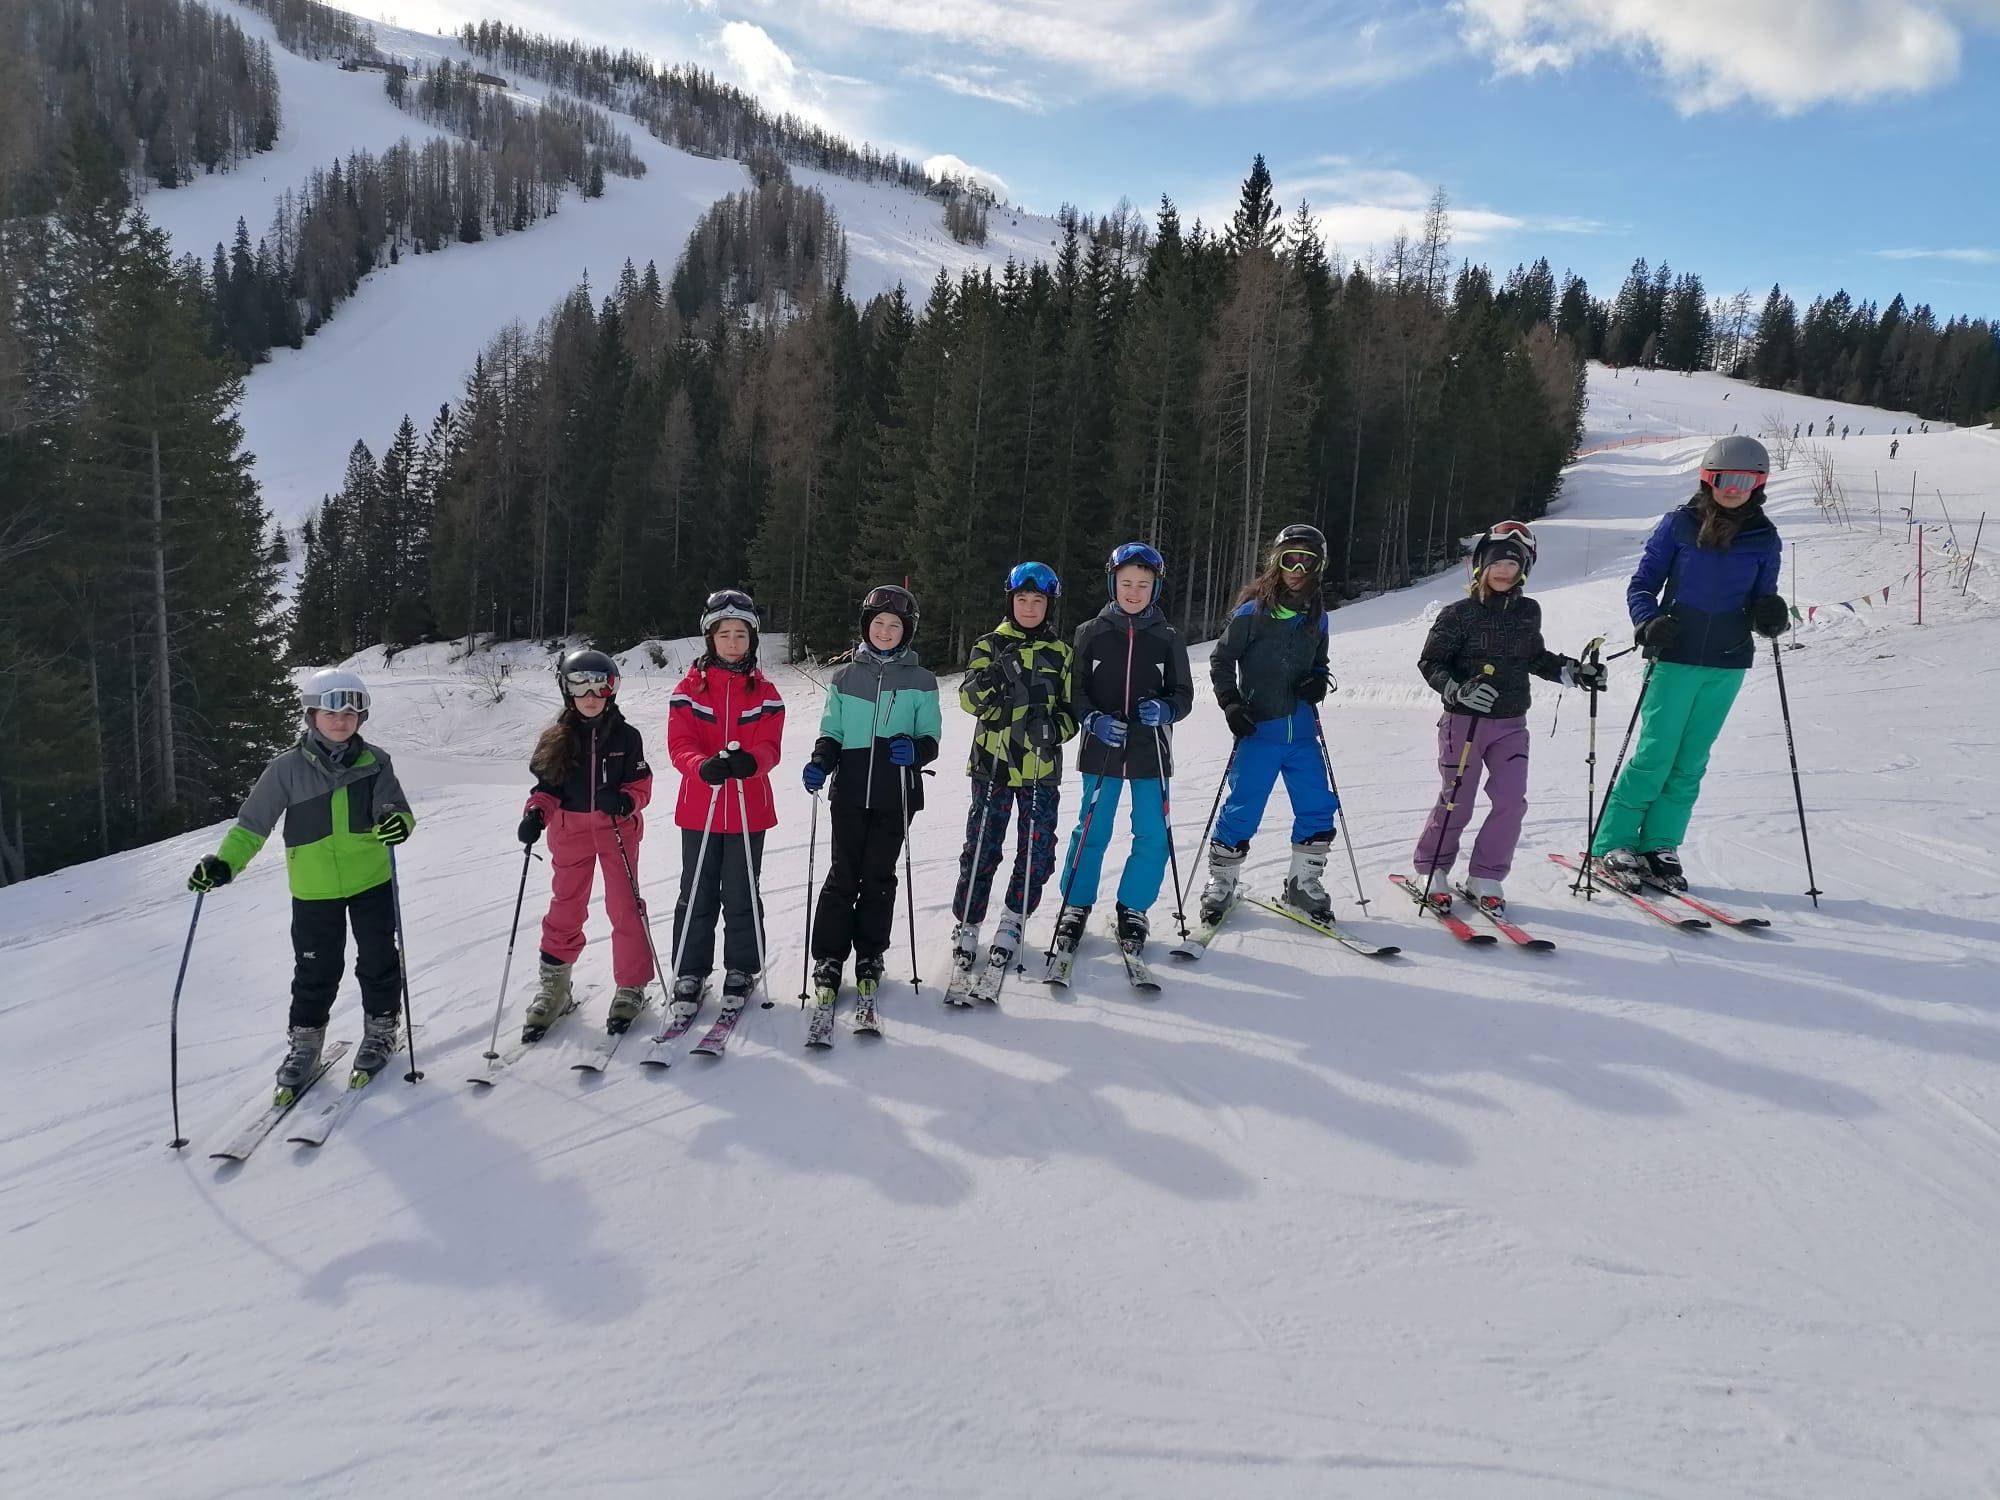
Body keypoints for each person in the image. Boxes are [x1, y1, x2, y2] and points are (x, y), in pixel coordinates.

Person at [186, 669, 416, 1097]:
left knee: (379, 958)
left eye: (351, 712)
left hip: (372, 881)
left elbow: (397, 808)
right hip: (315, 889)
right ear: (311, 714)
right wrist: (224, 865)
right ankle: (305, 1044)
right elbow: (252, 826)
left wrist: (395, 825)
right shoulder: (286, 769)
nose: (342, 720)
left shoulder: (375, 761)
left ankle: (382, 1027)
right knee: (315, 969)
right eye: (331, 712)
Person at [1590, 436, 1787, 890]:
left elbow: (1764, 598)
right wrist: (1648, 622)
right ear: (1708, 478)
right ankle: (1614, 842)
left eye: (1745, 479)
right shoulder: (1679, 525)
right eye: (1724, 479)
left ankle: (1660, 842)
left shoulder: (1764, 536)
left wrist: (1770, 615)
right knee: (1655, 754)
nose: (1733, 488)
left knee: (1692, 760)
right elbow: (1642, 585)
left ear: (1758, 483)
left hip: (1728, 660)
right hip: (1674, 655)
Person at [1407, 523, 1604, 913]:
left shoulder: (1528, 611)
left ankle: (1486, 874)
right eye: (1497, 561)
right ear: (1481, 564)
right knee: (1457, 801)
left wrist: (1574, 671)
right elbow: (1430, 663)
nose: (1504, 570)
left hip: (1512, 722)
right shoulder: (1458, 614)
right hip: (1464, 723)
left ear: (1524, 569)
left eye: (1513, 563)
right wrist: (1457, 689)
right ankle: (1431, 869)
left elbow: (1534, 657)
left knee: (1512, 801)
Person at [1050, 542, 1195, 959]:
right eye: (1126, 583)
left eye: (1143, 585)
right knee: (1092, 827)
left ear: (1155, 588)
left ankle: (1134, 907)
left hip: (1151, 748)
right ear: (1113, 584)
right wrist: (1091, 719)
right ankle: (1076, 903)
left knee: (1151, 831)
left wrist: (1166, 708)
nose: (1134, 592)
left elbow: (1183, 695)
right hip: (1103, 744)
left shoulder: (1169, 637)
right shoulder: (1090, 632)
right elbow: (1075, 692)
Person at [802, 585, 942, 1001]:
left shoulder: (922, 680)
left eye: (893, 625)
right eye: (878, 623)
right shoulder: (845, 676)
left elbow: (930, 737)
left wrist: (915, 751)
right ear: (866, 626)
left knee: (879, 876)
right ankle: (829, 956)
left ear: (906, 631)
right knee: (843, 874)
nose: (884, 631)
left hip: (895, 794)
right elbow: (833, 730)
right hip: (849, 792)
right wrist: (821, 761)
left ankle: (870, 954)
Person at [1198, 523, 1339, 925]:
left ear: (1318, 566)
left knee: (1317, 806)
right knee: (1243, 807)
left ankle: (1303, 884)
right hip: (1260, 729)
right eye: (1288, 558)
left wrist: (1317, 680)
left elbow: (1319, 663)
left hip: (1303, 731)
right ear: (1275, 562)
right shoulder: (1251, 613)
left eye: (1306, 560)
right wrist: (1231, 704)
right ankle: (1222, 882)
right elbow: (1221, 661)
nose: (1296, 567)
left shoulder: (1319, 618)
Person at [517, 648, 656, 1037]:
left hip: (616, 829)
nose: (591, 695)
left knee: (625, 905)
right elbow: (545, 789)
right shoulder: (557, 738)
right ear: (567, 690)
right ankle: (556, 987)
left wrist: (627, 800)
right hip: (570, 831)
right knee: (566, 907)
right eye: (581, 686)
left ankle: (631, 984)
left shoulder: (627, 737)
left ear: (612, 690)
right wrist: (535, 814)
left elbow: (641, 784)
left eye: (601, 685)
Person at [950, 562, 1078, 978]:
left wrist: (1053, 728)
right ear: (1011, 601)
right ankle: (967, 923)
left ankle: (1013, 919)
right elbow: (969, 701)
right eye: (1021, 599)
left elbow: (1073, 713)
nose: (1028, 607)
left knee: (1038, 849)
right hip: (993, 766)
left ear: (1048, 606)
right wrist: (994, 674)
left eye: (1037, 600)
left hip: (1039, 769)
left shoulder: (1061, 654)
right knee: (983, 845)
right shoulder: (989, 645)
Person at [665, 590, 784, 1019]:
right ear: (710, 639)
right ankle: (689, 970)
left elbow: (770, 747)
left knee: (740, 891)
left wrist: (750, 762)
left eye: (741, 635)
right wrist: (701, 766)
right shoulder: (688, 690)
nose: (733, 643)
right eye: (724, 635)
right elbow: (679, 744)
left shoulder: (766, 693)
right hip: (701, 805)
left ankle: (743, 967)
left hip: (749, 808)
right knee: (696, 891)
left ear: (752, 638)